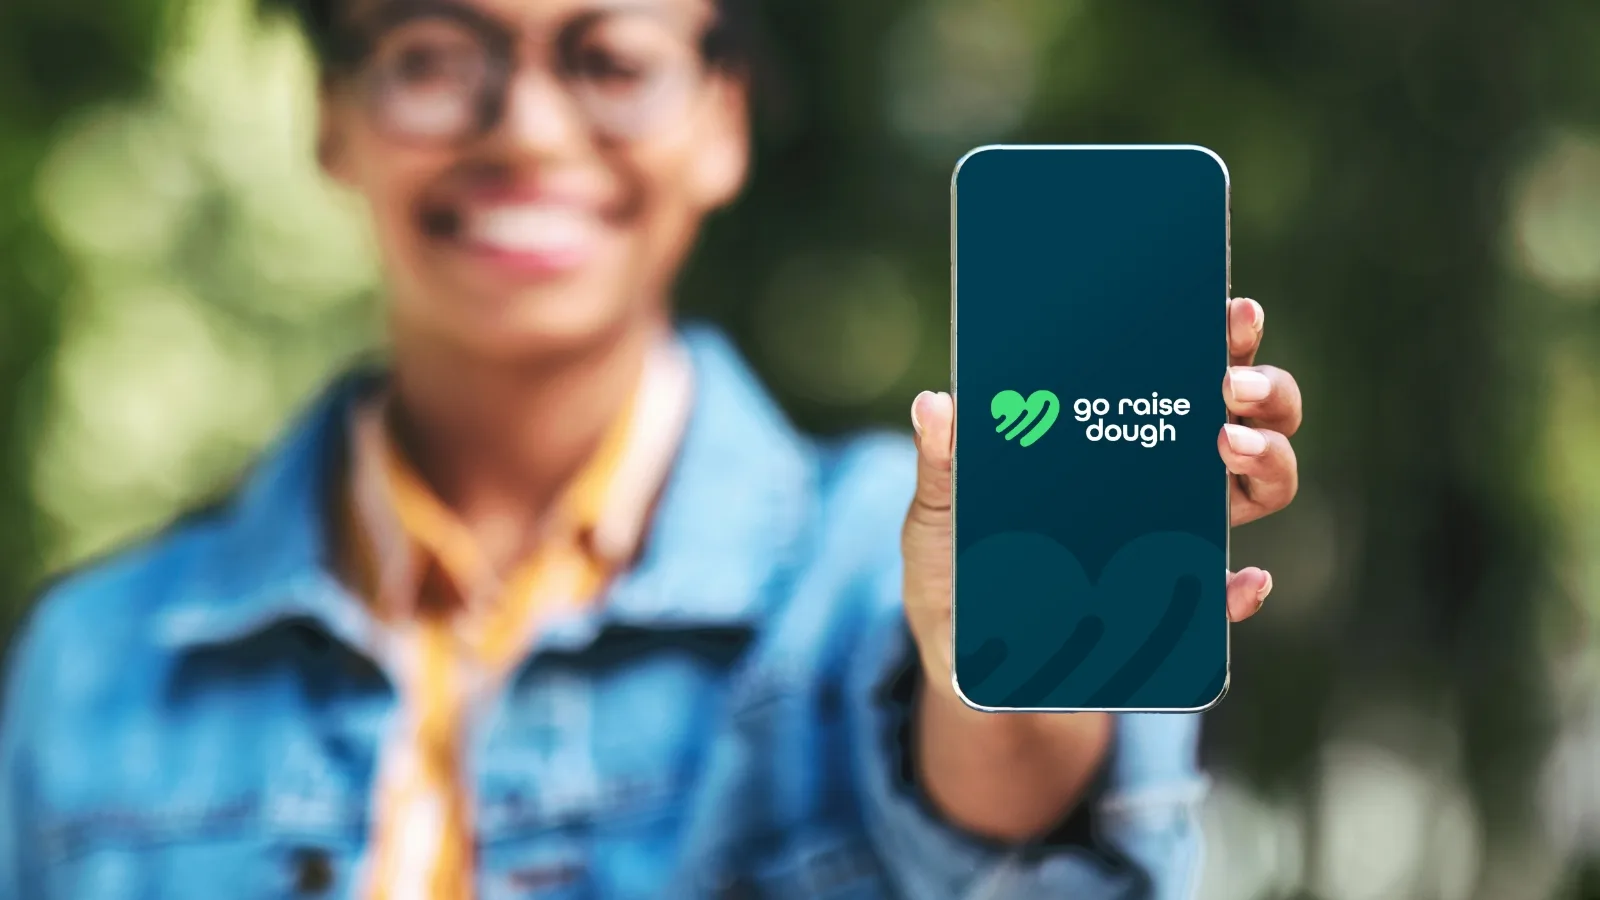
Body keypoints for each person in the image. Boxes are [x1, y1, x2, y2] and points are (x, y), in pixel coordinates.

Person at [0, 0, 1303, 896]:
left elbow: (1001, 821)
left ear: (724, 118)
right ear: (332, 115)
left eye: (612, 60)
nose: (525, 128)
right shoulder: (93, 665)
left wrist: (1012, 667)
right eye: (432, 55)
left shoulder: (876, 566)